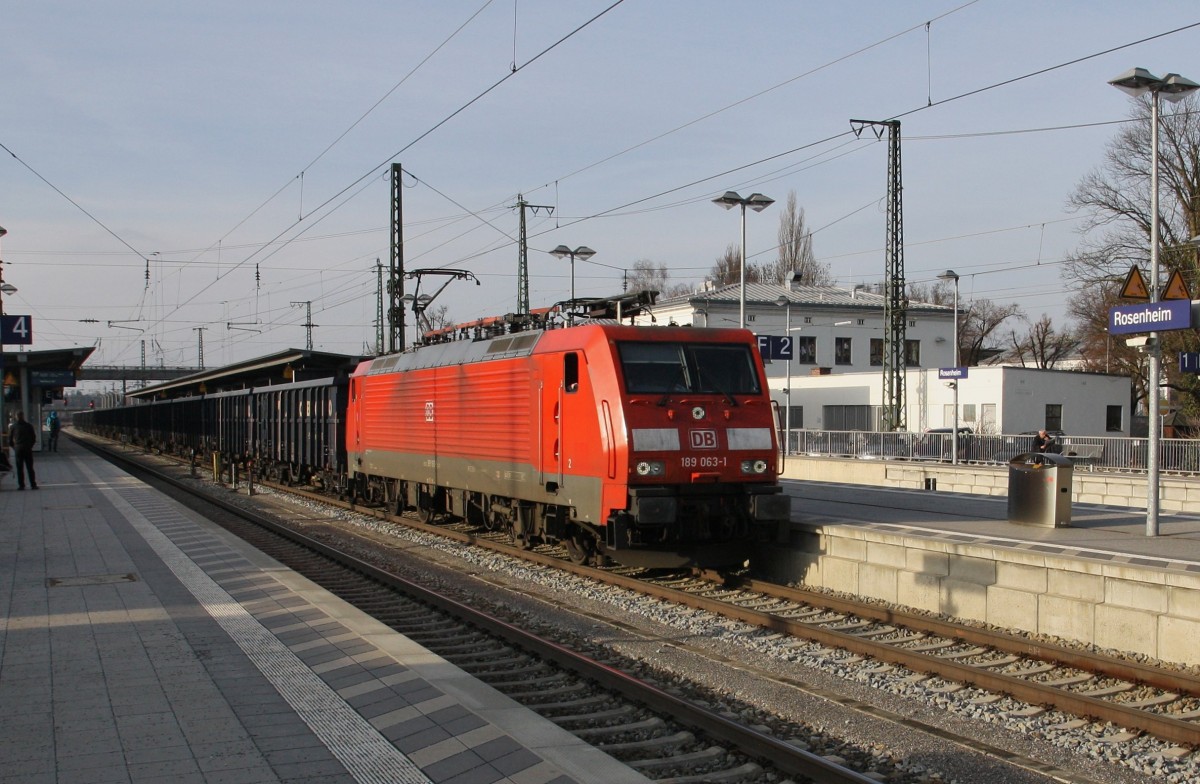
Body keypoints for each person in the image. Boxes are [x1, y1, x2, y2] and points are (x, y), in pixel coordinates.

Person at [9, 411, 38, 490]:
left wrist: (15, 447)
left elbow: (10, 441)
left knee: (19, 468)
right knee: (30, 467)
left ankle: (21, 485)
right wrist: (30, 446)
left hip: (18, 449)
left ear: (16, 417)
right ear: (23, 416)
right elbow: (33, 438)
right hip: (27, 448)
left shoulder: (13, 427)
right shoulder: (29, 426)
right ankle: (33, 484)